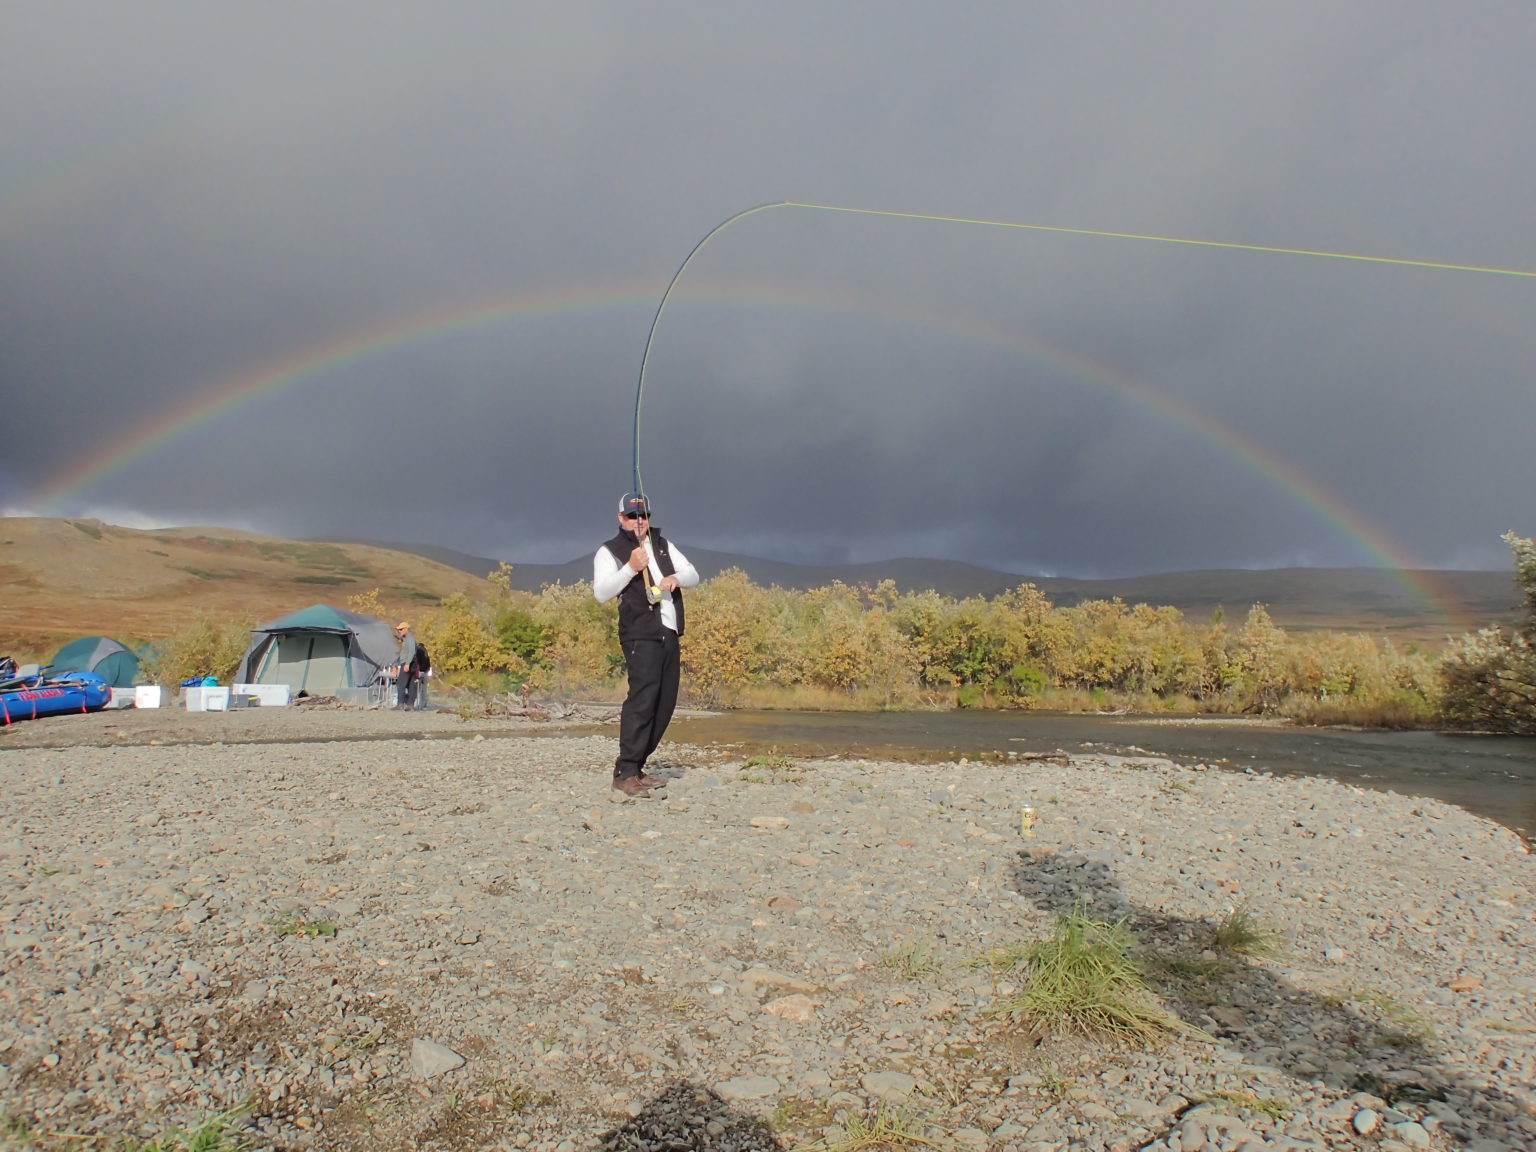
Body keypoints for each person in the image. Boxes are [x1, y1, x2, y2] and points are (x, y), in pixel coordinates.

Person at [593, 492, 699, 796]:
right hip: (640, 634)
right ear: (620, 518)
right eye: (632, 516)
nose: (639, 522)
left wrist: (675, 578)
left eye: (644, 516)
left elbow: (693, 574)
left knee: (665, 702)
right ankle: (624, 771)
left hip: (669, 631)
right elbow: (601, 593)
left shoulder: (663, 545)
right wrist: (630, 568)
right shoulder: (609, 551)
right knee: (642, 700)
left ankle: (637, 767)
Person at [391, 621, 419, 710]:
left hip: (408, 662)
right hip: (412, 663)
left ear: (406, 629)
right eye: (399, 630)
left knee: (401, 683)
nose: (400, 631)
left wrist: (407, 664)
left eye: (401, 629)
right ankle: (410, 704)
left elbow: (411, 652)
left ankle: (400, 704)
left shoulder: (410, 638)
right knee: (411, 683)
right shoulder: (407, 638)